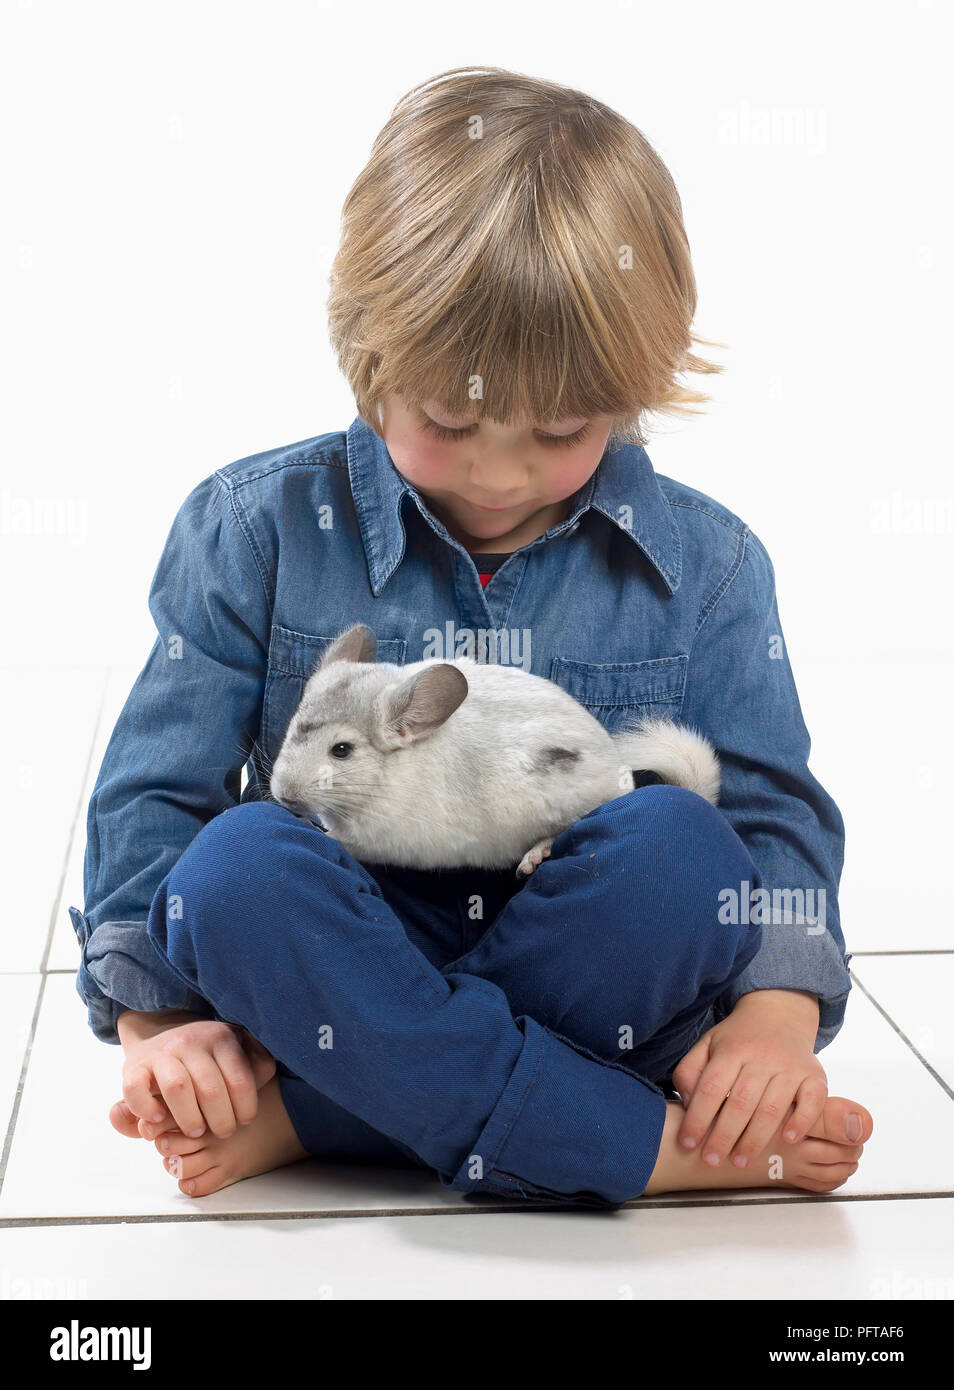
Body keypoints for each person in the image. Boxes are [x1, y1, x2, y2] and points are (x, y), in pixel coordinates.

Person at [74, 66, 872, 1206]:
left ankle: (319, 1112)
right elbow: (153, 796)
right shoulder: (251, 528)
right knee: (236, 866)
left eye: (560, 430)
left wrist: (776, 1020)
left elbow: (772, 813)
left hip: (580, 966)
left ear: (633, 389)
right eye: (450, 422)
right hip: (339, 954)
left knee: (684, 852)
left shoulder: (714, 561)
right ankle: (642, 1145)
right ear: (370, 358)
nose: (501, 473)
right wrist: (161, 1024)